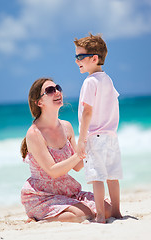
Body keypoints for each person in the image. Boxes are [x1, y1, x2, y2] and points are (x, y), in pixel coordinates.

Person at [21, 77, 112, 223]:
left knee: (107, 210)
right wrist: (80, 153)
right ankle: (38, 218)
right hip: (43, 195)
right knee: (83, 214)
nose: (57, 92)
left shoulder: (66, 127)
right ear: (39, 102)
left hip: (67, 191)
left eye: (57, 88)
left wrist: (93, 145)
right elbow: (53, 171)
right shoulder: (34, 133)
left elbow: (77, 166)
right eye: (50, 90)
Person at [74, 33, 123, 223]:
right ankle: (117, 212)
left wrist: (81, 138)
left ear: (94, 58)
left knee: (97, 177)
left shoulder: (89, 81)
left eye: (80, 57)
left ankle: (101, 215)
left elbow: (87, 112)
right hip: (111, 135)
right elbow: (113, 104)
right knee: (112, 176)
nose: (76, 60)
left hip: (95, 135)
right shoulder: (108, 80)